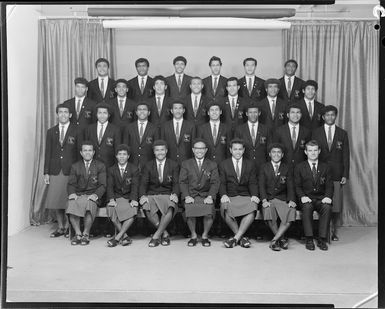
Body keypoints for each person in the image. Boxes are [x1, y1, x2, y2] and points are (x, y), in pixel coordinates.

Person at [312, 105, 350, 241]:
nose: (330, 117)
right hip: (320, 173)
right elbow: (312, 152)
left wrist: (345, 174)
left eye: (332, 115)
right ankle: (322, 230)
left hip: (337, 174)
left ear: (336, 116)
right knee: (322, 201)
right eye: (327, 115)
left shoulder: (342, 133)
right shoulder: (316, 132)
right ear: (323, 117)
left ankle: (333, 231)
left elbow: (346, 155)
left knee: (335, 204)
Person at [44, 104, 79, 238]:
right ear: (57, 114)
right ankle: (60, 227)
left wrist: (77, 171)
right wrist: (46, 172)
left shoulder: (76, 130)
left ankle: (69, 227)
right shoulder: (51, 131)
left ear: (70, 115)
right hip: (55, 170)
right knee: (56, 200)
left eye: (66, 112)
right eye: (60, 112)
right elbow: (48, 153)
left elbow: (77, 152)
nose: (63, 114)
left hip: (70, 170)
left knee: (68, 200)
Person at [219, 139, 260, 248]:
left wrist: (255, 195)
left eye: (240, 149)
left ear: (244, 150)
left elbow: (253, 182)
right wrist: (223, 194)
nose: (238, 152)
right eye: (235, 149)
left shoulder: (250, 164)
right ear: (230, 150)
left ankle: (235, 238)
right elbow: (222, 183)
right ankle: (241, 238)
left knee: (253, 206)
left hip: (245, 195)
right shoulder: (224, 164)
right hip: (230, 195)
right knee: (224, 206)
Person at [179, 139, 220, 247]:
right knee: (189, 207)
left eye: (202, 148)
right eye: (197, 148)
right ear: (193, 150)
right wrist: (187, 196)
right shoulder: (186, 164)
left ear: (206, 150)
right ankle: (193, 236)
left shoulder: (212, 164)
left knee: (209, 208)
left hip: (206, 195)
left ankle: (205, 236)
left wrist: (210, 196)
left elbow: (215, 183)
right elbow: (182, 182)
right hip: (191, 195)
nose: (199, 151)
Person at [139, 140, 180, 247]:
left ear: (166, 151)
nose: (160, 152)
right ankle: (164, 233)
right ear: (154, 152)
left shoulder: (174, 165)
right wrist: (143, 196)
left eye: (162, 150)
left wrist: (175, 194)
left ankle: (156, 236)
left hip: (168, 193)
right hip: (152, 194)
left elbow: (176, 183)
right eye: (157, 150)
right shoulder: (148, 165)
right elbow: (143, 184)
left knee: (170, 205)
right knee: (146, 206)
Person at [294, 140, 333, 251]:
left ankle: (322, 239)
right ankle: (309, 238)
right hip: (307, 198)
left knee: (327, 207)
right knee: (307, 207)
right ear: (306, 152)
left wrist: (328, 196)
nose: (313, 153)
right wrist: (302, 196)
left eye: (315, 150)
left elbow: (330, 185)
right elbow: (297, 186)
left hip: (321, 199)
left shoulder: (326, 167)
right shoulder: (299, 167)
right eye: (310, 150)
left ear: (319, 151)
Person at [66, 140, 107, 246]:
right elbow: (71, 184)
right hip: (79, 195)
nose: (87, 153)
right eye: (85, 150)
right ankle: (78, 234)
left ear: (93, 152)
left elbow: (103, 185)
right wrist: (72, 193)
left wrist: (96, 195)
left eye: (90, 150)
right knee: (71, 204)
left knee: (90, 204)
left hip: (93, 195)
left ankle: (86, 234)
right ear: (81, 153)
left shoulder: (100, 165)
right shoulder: (75, 166)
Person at [259, 143, 296, 251]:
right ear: (270, 154)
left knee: (291, 210)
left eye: (279, 152)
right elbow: (261, 185)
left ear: (283, 154)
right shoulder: (264, 167)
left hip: (282, 198)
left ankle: (275, 240)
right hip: (269, 199)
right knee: (267, 210)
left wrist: (292, 200)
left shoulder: (287, 168)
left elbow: (290, 186)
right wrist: (264, 200)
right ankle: (282, 239)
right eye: (274, 152)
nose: (276, 154)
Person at [106, 144, 140, 247]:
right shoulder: (111, 169)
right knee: (111, 209)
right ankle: (125, 236)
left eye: (124, 154)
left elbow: (135, 186)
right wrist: (111, 199)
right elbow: (110, 187)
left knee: (133, 209)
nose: (122, 156)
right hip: (116, 197)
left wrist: (134, 199)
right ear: (116, 156)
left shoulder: (134, 169)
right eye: (119, 154)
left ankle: (117, 237)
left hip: (128, 197)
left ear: (128, 156)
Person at [235, 102, 271, 175]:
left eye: (255, 112)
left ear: (259, 113)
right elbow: (236, 149)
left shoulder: (265, 129)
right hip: (245, 165)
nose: (253, 115)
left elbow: (269, 149)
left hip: (262, 165)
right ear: (246, 114)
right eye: (250, 112)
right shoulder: (239, 129)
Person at [274, 103, 311, 170]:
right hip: (284, 167)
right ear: (288, 115)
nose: (295, 115)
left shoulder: (306, 132)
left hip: (301, 168)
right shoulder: (279, 131)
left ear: (301, 115)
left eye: (298, 112)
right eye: (293, 112)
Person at [123, 102, 158, 172]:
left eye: (144, 109)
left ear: (149, 112)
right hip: (132, 162)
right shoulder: (129, 128)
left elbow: (156, 148)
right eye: (139, 109)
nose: (142, 111)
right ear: (136, 112)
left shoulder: (155, 128)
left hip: (149, 163)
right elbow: (125, 147)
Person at [84, 103, 121, 169]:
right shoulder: (89, 129)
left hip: (109, 166)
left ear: (109, 115)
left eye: (104, 113)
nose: (102, 115)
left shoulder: (115, 130)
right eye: (100, 113)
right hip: (91, 165)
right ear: (96, 114)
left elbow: (117, 150)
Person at [160, 100, 196, 165]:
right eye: (175, 108)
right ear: (171, 111)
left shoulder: (191, 126)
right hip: (169, 161)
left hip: (186, 161)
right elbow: (162, 145)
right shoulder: (165, 126)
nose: (178, 111)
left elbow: (193, 145)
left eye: (180, 108)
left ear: (183, 110)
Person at [64, 77, 97, 146]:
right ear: (75, 88)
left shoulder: (93, 104)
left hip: (86, 137)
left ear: (86, 89)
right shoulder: (67, 103)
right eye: (78, 87)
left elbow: (94, 123)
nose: (80, 89)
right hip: (70, 137)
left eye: (82, 87)